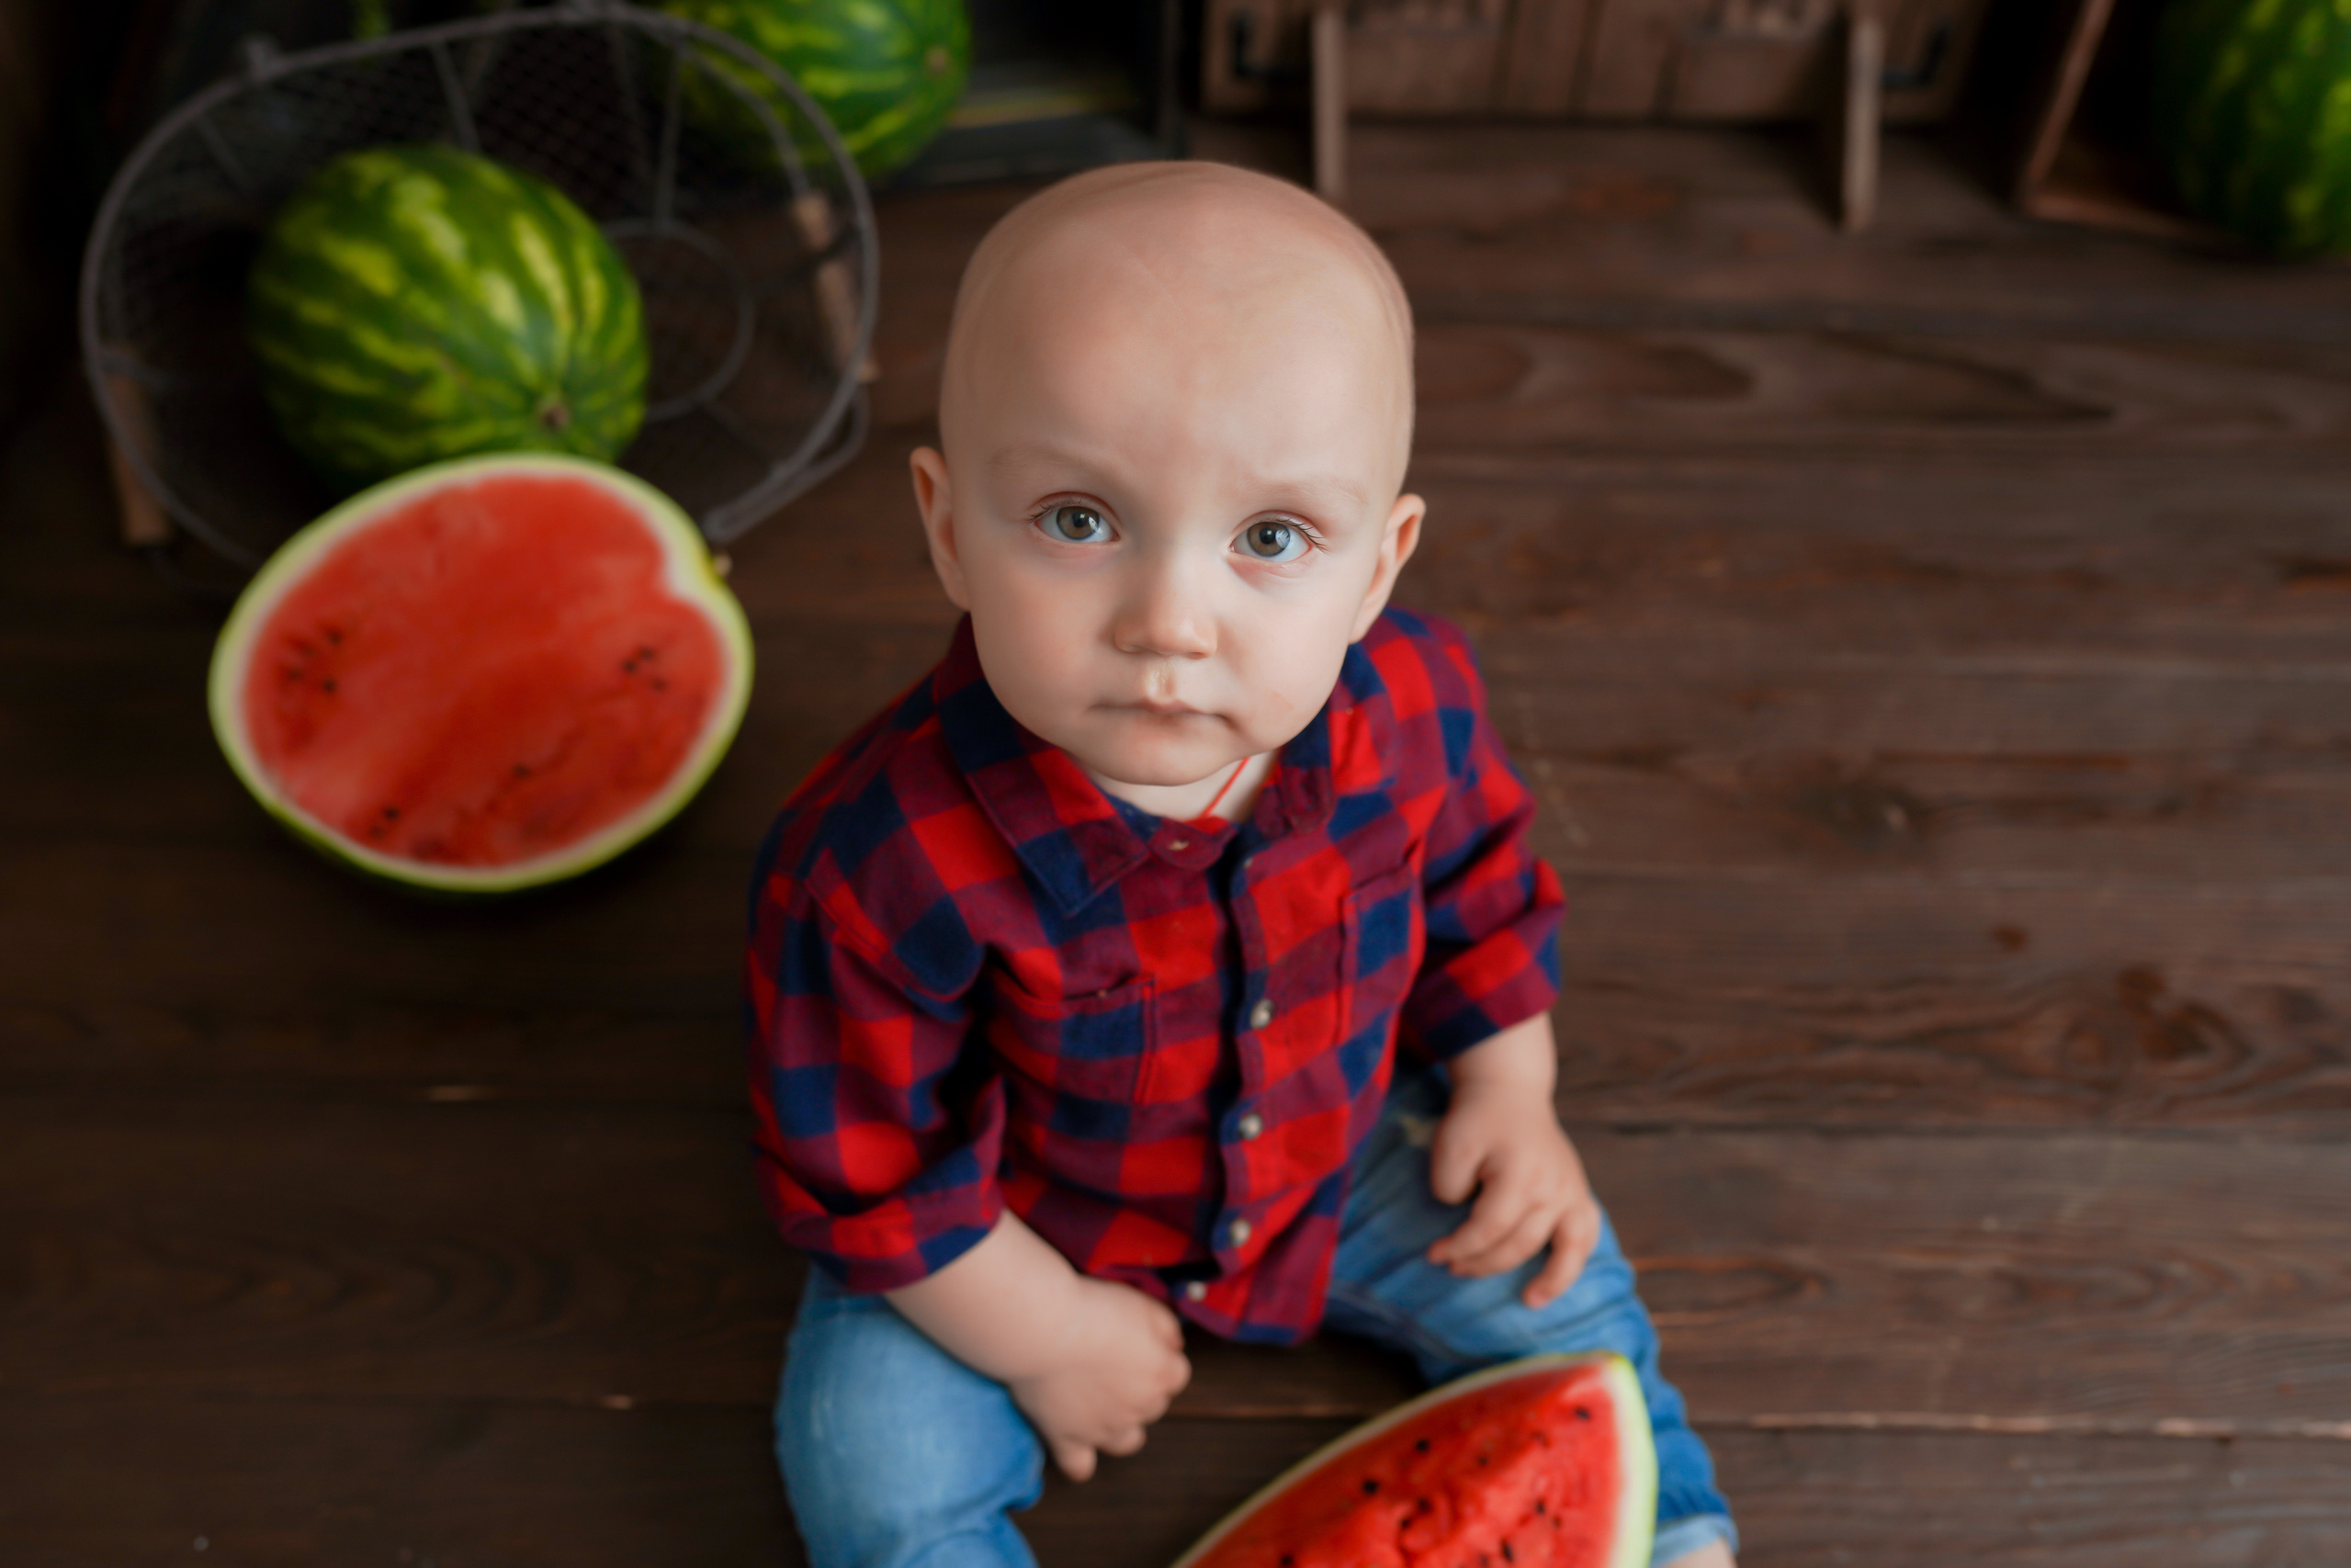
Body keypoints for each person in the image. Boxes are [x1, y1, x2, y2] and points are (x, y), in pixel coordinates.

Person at [744, 160, 1736, 1568]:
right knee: (871, 1479)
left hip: (1331, 1162)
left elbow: (1482, 889)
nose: (1169, 620)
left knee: (1566, 1294)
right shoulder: (872, 860)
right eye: (1080, 521)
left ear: (1378, 566)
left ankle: (1674, 1525)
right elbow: (861, 1156)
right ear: (948, 525)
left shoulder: (1413, 699)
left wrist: (1515, 1086)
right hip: (1015, 1221)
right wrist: (1041, 1327)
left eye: (1272, 538)